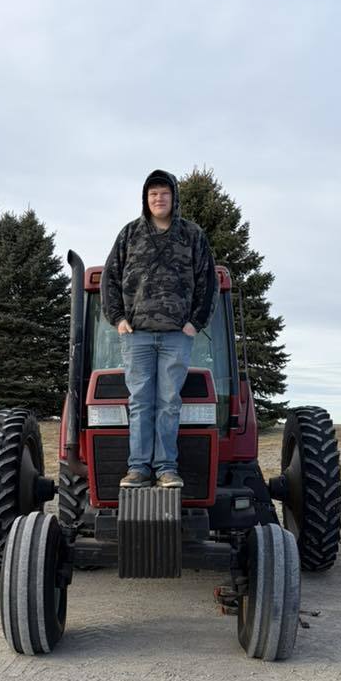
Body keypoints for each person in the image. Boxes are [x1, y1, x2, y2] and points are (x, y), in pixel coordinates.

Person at [101, 169, 218, 488]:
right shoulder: (129, 234)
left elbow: (209, 282)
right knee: (140, 402)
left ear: (173, 197)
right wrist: (118, 319)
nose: (158, 198)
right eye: (153, 194)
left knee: (169, 401)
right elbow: (110, 278)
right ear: (145, 198)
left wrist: (195, 323)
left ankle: (166, 468)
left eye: (164, 193)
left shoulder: (192, 235)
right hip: (136, 334)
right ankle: (138, 468)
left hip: (176, 336)